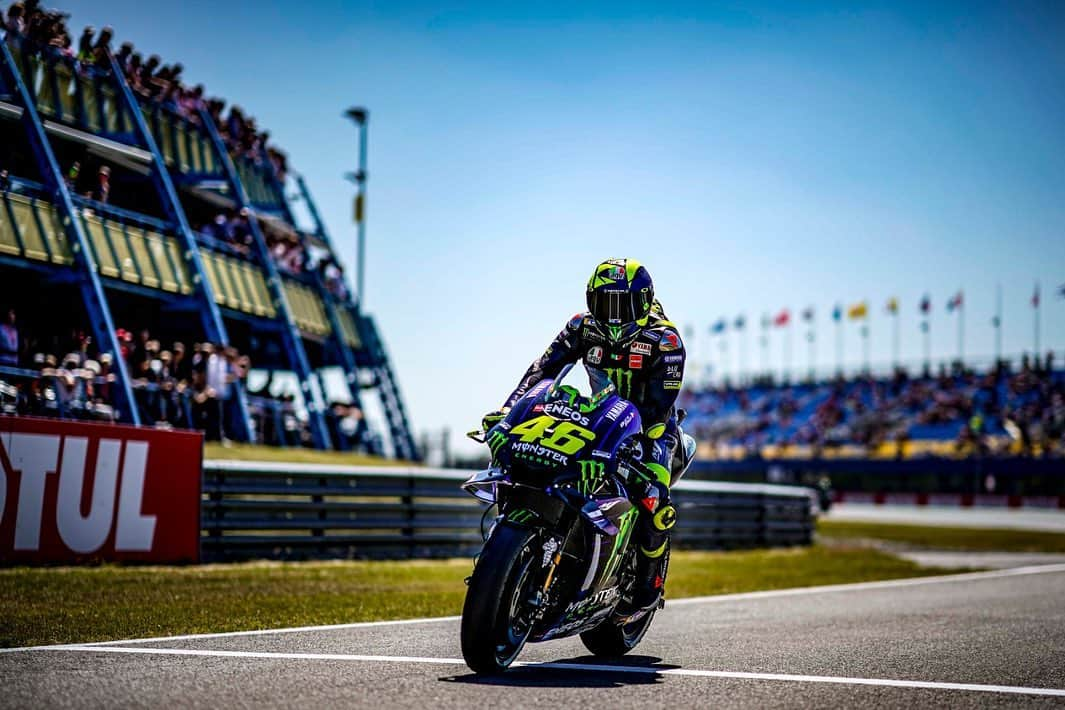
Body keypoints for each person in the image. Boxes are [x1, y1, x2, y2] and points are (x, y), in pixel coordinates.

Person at [481, 258, 687, 614]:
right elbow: (542, 370)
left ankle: (648, 583)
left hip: (653, 430)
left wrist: (637, 442)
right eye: (605, 303)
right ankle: (518, 544)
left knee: (654, 498)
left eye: (623, 305)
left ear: (643, 301)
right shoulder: (581, 327)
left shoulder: (665, 340)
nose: (615, 315)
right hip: (596, 415)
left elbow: (659, 404)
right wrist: (508, 410)